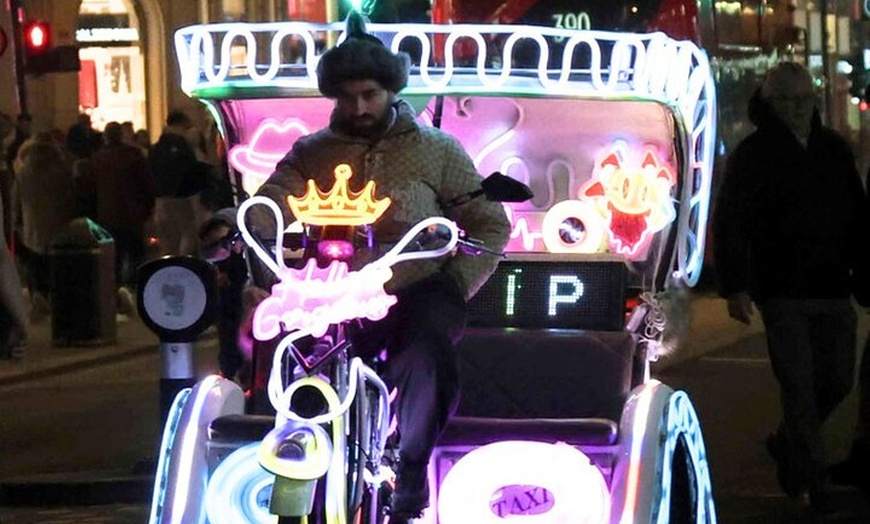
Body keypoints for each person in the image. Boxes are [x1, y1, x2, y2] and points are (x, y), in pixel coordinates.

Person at [206, 12, 510, 520]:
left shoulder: (436, 151)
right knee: (293, 356)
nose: (358, 107)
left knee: (425, 354)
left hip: (416, 288)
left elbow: (489, 223)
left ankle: (412, 471)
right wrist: (231, 228)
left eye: (368, 94)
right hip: (332, 291)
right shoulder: (312, 152)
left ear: (390, 90)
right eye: (346, 97)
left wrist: (455, 281)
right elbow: (270, 203)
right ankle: (299, 465)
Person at [713, 62, 870, 515]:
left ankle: (789, 444)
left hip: (833, 287)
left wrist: (863, 271)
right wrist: (736, 287)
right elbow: (732, 220)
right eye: (787, 100)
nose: (797, 109)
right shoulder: (754, 154)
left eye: (803, 100)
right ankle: (814, 479)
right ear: (771, 102)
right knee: (799, 384)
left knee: (837, 382)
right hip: (781, 291)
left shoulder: (833, 151)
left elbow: (856, 218)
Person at [89, 121, 155, 314]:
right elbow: (146, 184)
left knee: (114, 258)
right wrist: (147, 208)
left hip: (107, 216)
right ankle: (135, 292)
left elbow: (92, 189)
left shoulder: (98, 158)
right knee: (136, 254)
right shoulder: (134, 155)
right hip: (133, 214)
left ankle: (116, 296)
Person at [12, 132, 77, 322]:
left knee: (35, 263)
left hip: (31, 225)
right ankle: (56, 302)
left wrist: (16, 223)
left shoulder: (23, 170)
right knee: (55, 265)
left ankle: (38, 299)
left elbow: (16, 199)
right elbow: (70, 196)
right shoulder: (61, 168)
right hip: (59, 224)